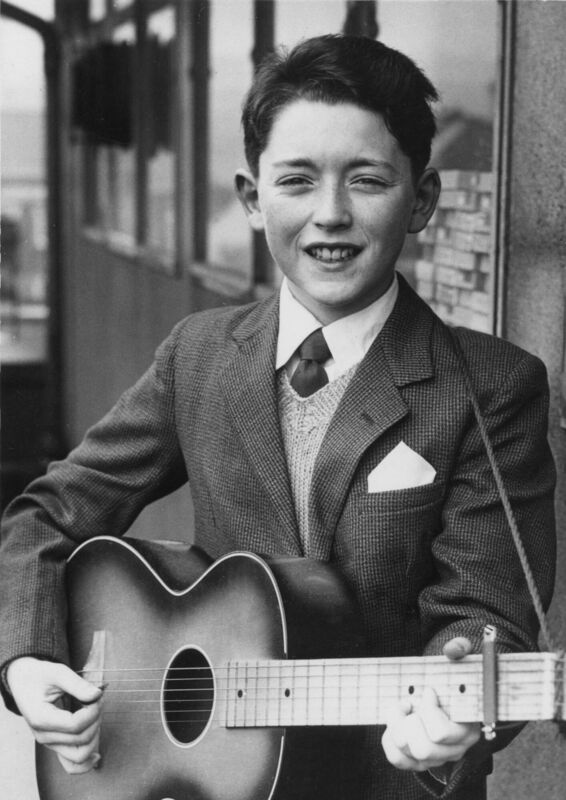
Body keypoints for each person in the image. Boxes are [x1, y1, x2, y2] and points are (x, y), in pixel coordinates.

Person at [0, 34, 556, 800]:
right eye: (296, 180)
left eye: (368, 180)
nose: (330, 215)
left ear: (422, 199)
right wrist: (25, 662)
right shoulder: (198, 354)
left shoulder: (492, 385)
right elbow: (45, 516)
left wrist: (452, 711)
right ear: (252, 197)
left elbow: (487, 612)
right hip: (214, 779)